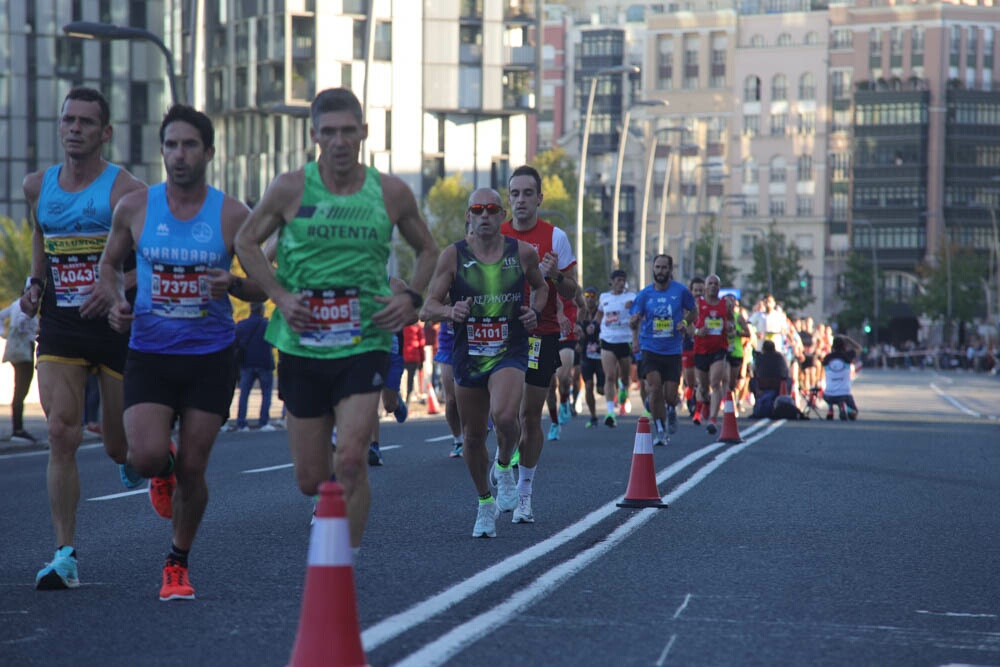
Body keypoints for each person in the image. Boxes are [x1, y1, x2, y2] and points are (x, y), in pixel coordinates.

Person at [233, 87, 437, 551]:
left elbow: (428, 250)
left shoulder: (390, 191)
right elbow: (246, 242)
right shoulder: (290, 188)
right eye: (329, 132)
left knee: (350, 459)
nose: (339, 141)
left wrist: (413, 299)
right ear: (314, 135)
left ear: (365, 133)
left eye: (348, 131)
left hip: (364, 337)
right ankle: (327, 503)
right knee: (310, 478)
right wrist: (281, 296)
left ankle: (346, 563)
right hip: (302, 341)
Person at [91, 104, 264, 601]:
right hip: (150, 351)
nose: (179, 154)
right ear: (161, 150)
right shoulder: (136, 208)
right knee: (144, 457)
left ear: (208, 152)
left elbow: (263, 286)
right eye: (171, 145)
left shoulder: (232, 214)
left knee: (194, 467)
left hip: (210, 356)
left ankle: (177, 562)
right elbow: (108, 267)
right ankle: (160, 472)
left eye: (189, 145)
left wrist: (231, 281)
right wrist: (116, 304)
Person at [22, 87, 146, 590]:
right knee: (60, 434)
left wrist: (114, 290)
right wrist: (35, 281)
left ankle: (148, 462)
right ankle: (64, 556)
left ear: (105, 133)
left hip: (113, 325)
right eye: (68, 120)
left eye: (86, 123)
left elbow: (149, 260)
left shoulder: (125, 190)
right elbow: (41, 233)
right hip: (62, 325)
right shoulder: (38, 185)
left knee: (120, 449)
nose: (74, 129)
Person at [420, 188, 547, 537]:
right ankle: (484, 503)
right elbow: (427, 307)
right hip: (469, 353)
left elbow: (541, 288)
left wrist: (534, 311)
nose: (485, 215)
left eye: (492, 209)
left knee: (506, 417)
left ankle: (504, 465)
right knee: (473, 437)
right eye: (478, 209)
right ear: (469, 216)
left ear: (502, 215)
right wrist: (449, 310)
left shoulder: (521, 253)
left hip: (509, 348)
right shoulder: (453, 256)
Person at [500, 165, 578, 523]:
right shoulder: (495, 233)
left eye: (527, 193)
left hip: (540, 334)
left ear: (539, 198)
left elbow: (572, 292)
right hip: (497, 332)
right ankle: (503, 466)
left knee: (528, 415)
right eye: (514, 194)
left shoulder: (555, 237)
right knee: (501, 416)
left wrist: (554, 273)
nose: (520, 201)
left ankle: (525, 492)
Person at [628, 254, 695, 446]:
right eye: (657, 267)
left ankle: (672, 409)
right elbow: (634, 318)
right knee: (654, 389)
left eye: (664, 268)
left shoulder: (680, 291)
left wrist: (684, 322)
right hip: (650, 347)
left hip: (673, 349)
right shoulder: (645, 294)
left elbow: (693, 310)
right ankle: (659, 428)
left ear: (670, 270)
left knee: (670, 395)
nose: (660, 271)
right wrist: (634, 336)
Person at [688, 274, 733, 434]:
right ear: (705, 287)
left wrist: (730, 326)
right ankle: (705, 404)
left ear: (719, 287)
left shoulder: (725, 304)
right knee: (704, 388)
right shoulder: (697, 304)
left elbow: (731, 322)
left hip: (719, 349)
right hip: (701, 350)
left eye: (716, 284)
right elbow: (687, 325)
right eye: (710, 283)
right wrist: (698, 331)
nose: (713, 286)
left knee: (716, 383)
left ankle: (713, 419)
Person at [596, 269, 635, 427]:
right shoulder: (604, 297)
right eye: (617, 280)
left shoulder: (631, 297)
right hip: (607, 339)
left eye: (622, 280)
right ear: (611, 282)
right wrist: (596, 326)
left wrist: (632, 309)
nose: (620, 283)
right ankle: (610, 412)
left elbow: (638, 314)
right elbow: (599, 314)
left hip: (625, 340)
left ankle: (624, 390)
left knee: (624, 377)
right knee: (610, 376)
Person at [0, 299, 38, 443]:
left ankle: (18, 428)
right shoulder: (26, 305)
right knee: (21, 390)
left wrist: (4, 333)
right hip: (24, 349)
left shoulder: (15, 304)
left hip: (17, 349)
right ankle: (18, 429)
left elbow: (2, 316)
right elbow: (23, 323)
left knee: (19, 390)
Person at [233, 302, 275, 432]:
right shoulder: (267, 325)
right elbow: (274, 342)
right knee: (266, 394)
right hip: (265, 363)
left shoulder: (241, 325)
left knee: (244, 394)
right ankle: (263, 422)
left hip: (246, 363)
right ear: (262, 310)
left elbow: (235, 343)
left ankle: (241, 423)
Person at [577, 286, 605, 428]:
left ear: (596, 298)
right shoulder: (581, 313)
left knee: (601, 389)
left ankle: (614, 398)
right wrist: (579, 339)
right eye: (586, 296)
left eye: (592, 296)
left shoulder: (601, 313)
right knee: (588, 386)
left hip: (601, 356)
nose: (589, 299)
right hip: (586, 355)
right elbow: (575, 330)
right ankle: (593, 415)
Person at [822, 334, 862, 420]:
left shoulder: (827, 358)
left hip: (828, 395)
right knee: (854, 414)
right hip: (844, 394)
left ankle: (830, 409)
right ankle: (846, 407)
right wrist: (848, 339)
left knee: (830, 389)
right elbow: (859, 348)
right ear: (845, 345)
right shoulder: (847, 356)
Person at [681, 276, 704, 420]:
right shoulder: (686, 307)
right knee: (690, 381)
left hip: (704, 348)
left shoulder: (709, 305)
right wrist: (696, 332)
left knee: (701, 381)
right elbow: (687, 326)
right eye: (696, 290)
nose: (699, 293)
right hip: (688, 345)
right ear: (691, 291)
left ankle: (698, 411)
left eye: (701, 290)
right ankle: (690, 398)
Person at [750, 339, 790, 418]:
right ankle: (784, 400)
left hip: (763, 384)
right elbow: (785, 372)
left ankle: (758, 400)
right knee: (789, 380)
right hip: (779, 384)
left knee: (752, 381)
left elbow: (755, 372)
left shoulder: (760, 358)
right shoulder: (779, 357)